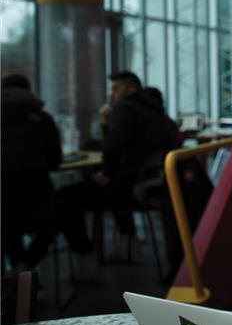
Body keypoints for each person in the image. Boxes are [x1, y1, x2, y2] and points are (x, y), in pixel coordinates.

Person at [59, 71, 178, 256]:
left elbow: (115, 144)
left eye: (116, 89)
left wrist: (106, 172)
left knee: (66, 198)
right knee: (109, 182)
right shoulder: (154, 110)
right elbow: (121, 144)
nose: (111, 94)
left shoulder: (125, 107)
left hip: (131, 188)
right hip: (152, 183)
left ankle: (86, 255)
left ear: (131, 89)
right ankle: (129, 238)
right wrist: (108, 125)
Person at [1, 75, 93, 272]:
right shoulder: (43, 119)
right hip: (38, 205)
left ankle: (18, 275)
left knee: (7, 219)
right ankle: (26, 265)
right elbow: (54, 161)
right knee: (64, 211)